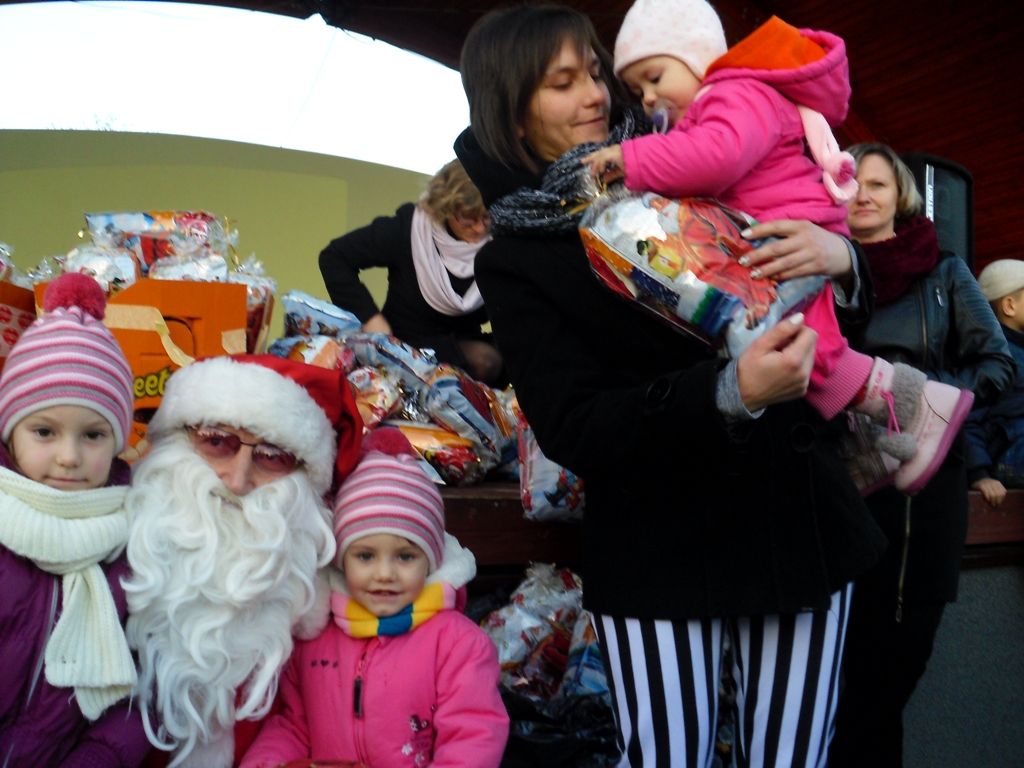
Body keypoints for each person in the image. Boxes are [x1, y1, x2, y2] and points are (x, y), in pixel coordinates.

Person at [456, 6, 888, 767]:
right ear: (513, 112)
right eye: (564, 82)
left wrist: (843, 259)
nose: (597, 94)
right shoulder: (518, 255)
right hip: (659, 544)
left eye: (596, 73)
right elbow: (574, 423)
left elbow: (825, 301)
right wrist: (729, 392)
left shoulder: (693, 149)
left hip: (793, 519)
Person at [580, 0, 972, 494]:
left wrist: (633, 159)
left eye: (655, 77)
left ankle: (921, 404)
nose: (649, 97)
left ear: (698, 58)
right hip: (775, 242)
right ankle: (880, 442)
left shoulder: (734, 94)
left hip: (789, 240)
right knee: (793, 352)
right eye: (638, 91)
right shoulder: (714, 108)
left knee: (806, 350)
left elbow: (716, 159)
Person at [828, 143, 1014, 767]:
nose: (863, 194)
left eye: (877, 184)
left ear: (900, 195)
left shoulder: (945, 271)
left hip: (922, 493)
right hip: (842, 485)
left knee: (894, 668)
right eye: (850, 182)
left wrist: (926, 399)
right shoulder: (821, 271)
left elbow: (998, 362)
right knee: (844, 680)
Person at [123, 355, 363, 768]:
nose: (237, 481)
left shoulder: (314, 611)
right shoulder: (113, 561)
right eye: (217, 442)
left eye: (272, 456)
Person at [239, 427, 509, 768]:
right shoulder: (313, 641)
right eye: (365, 556)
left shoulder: (457, 645)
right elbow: (295, 726)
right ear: (341, 561)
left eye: (405, 556)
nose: (384, 574)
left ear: (430, 561)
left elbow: (472, 736)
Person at [0, 273, 149, 767]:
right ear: (11, 433)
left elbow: (140, 691)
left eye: (92, 435)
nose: (69, 457)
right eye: (44, 431)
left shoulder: (136, 547)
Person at [319, 159, 504, 385]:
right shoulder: (409, 229)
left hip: (466, 341)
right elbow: (334, 257)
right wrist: (370, 318)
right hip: (407, 344)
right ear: (445, 207)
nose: (479, 227)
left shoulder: (501, 244)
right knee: (486, 361)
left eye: (486, 216)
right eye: (468, 217)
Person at [964, 259, 1024, 506]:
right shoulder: (993, 359)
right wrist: (979, 474)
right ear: (1009, 306)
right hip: (1006, 455)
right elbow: (966, 418)